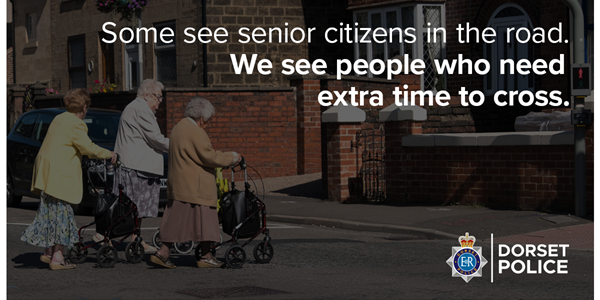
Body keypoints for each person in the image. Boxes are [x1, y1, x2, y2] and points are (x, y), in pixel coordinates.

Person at [21, 89, 117, 270]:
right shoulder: (76, 123)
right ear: (84, 107)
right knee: (63, 215)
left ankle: (48, 252)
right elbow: (88, 148)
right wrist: (109, 154)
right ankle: (57, 258)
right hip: (60, 176)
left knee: (50, 213)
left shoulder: (59, 118)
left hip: (46, 172)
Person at [150, 97, 239, 269]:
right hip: (197, 186)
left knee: (175, 220)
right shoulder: (196, 131)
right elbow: (209, 156)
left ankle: (163, 252)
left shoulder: (178, 127)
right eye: (208, 121)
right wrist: (233, 157)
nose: (208, 124)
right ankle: (206, 256)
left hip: (179, 184)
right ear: (201, 118)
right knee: (205, 221)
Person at [93, 79, 169, 253]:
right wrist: (180, 145)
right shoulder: (140, 109)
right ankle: (104, 236)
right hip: (135, 168)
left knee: (136, 209)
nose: (160, 101)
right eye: (158, 97)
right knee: (127, 207)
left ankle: (136, 240)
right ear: (147, 95)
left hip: (138, 167)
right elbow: (155, 138)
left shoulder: (138, 108)